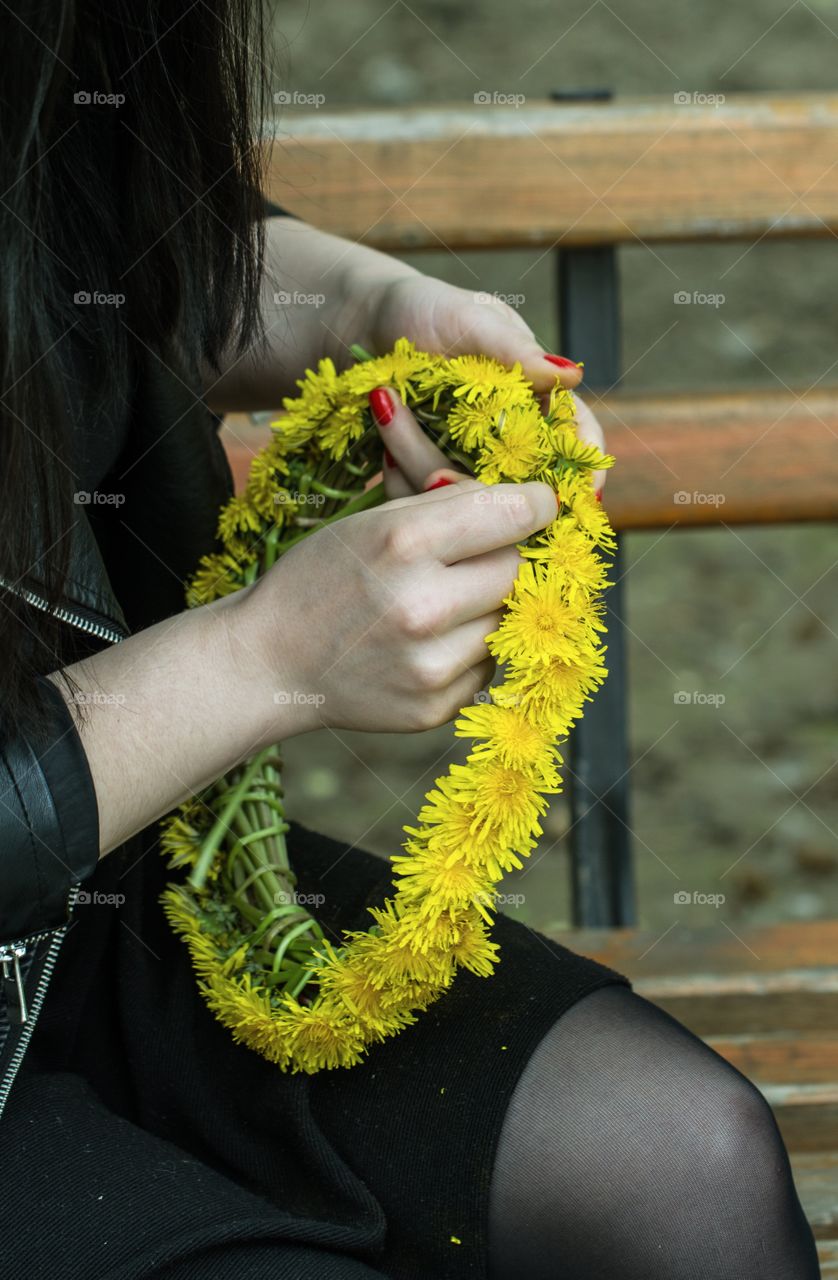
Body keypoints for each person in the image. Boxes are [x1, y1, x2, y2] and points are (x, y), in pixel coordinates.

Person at [0, 3, 819, 1277]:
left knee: (681, 1157)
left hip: (98, 905)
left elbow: (123, 258)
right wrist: (258, 664)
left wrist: (378, 308)